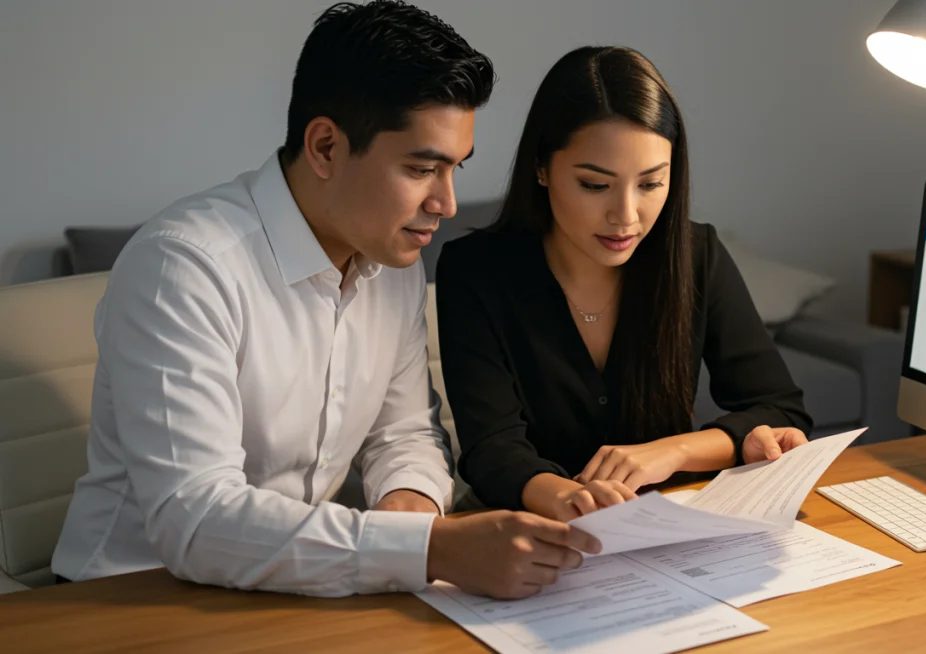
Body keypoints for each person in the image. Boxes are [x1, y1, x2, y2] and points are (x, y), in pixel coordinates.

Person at [51, 0, 598, 601]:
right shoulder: (183, 268)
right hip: (129, 599)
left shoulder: (391, 261)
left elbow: (404, 434)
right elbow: (197, 517)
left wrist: (411, 513)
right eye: (422, 169)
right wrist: (429, 549)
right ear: (326, 147)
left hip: (294, 592)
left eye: (455, 170)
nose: (444, 203)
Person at [436, 46, 814, 522]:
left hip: (665, 524)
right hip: (525, 525)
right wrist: (569, 499)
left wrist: (674, 451)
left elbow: (780, 409)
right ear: (541, 168)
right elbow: (492, 448)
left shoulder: (696, 255)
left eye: (651, 184)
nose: (626, 216)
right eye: (596, 185)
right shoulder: (475, 270)